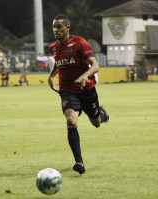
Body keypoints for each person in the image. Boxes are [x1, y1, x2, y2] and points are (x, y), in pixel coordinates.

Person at [48, 14, 109, 175]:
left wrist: (85, 75)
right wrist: (51, 76)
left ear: (67, 28)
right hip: (67, 91)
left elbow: (95, 65)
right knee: (70, 120)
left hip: (86, 90)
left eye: (59, 26)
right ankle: (79, 162)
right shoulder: (53, 47)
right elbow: (58, 61)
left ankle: (102, 114)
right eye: (54, 27)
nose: (55, 30)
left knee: (96, 122)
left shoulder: (79, 43)